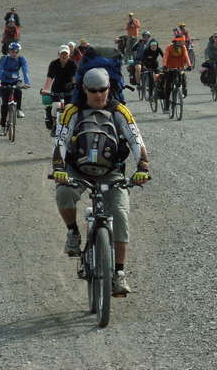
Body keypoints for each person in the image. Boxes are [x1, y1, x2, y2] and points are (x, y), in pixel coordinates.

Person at [51, 68, 150, 294]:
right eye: (93, 90)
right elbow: (61, 141)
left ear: (109, 88)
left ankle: (119, 273)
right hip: (77, 170)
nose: (98, 94)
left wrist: (143, 166)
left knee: (120, 214)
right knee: (63, 193)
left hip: (111, 172)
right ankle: (73, 232)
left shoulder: (119, 111)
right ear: (84, 89)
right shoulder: (72, 111)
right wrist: (58, 168)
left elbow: (135, 139)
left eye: (102, 89)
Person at [0, 42, 31, 135]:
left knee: (18, 90)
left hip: (16, 81)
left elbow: (25, 70)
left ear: (18, 52)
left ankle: (19, 109)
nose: (14, 53)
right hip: (5, 82)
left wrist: (27, 82)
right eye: (12, 51)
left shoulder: (21, 59)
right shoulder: (4, 58)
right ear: (9, 51)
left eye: (16, 51)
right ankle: (2, 127)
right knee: (4, 105)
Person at [40, 45, 77, 128]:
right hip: (57, 89)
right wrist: (45, 90)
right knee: (56, 106)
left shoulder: (73, 64)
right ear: (58, 54)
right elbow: (50, 78)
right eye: (62, 54)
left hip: (69, 90)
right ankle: (54, 125)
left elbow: (75, 79)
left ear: (69, 55)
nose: (64, 56)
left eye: (66, 54)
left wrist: (75, 88)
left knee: (71, 109)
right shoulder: (54, 64)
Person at [162, 36, 191, 111]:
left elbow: (186, 56)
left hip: (180, 67)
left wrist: (189, 65)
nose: (182, 43)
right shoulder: (169, 47)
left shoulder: (183, 47)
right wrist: (164, 66)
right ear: (176, 41)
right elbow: (165, 57)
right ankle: (166, 105)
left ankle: (183, 91)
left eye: (182, 42)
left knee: (183, 79)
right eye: (180, 42)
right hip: (170, 68)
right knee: (168, 87)